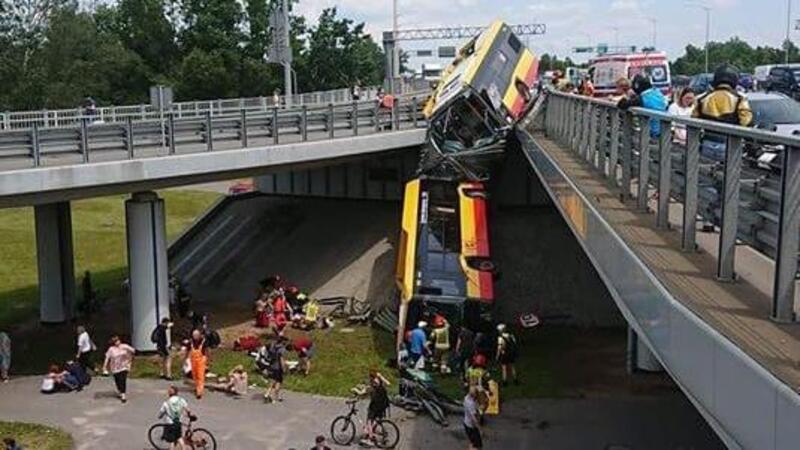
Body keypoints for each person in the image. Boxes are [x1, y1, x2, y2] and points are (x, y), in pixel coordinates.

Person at [617, 74, 668, 138]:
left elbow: (621, 104)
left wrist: (627, 96)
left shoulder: (643, 98)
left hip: (652, 131)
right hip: (664, 129)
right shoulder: (657, 92)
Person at [157, 385, 194, 450]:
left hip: (170, 424)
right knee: (179, 438)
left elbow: (161, 413)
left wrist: (159, 416)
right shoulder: (181, 400)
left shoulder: (166, 403)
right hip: (178, 423)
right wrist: (189, 415)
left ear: (169, 393)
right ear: (177, 392)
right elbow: (188, 410)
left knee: (171, 441)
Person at [102, 335, 135, 403]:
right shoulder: (111, 349)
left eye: (118, 340)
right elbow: (107, 358)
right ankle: (120, 390)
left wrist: (129, 353)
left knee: (122, 380)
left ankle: (123, 395)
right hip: (115, 368)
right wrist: (104, 367)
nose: (117, 342)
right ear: (113, 343)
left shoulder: (124, 346)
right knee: (118, 381)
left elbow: (133, 350)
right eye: (115, 341)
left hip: (124, 366)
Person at [361, 370, 390, 446]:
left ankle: (370, 439)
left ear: (371, 377)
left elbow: (367, 391)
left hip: (376, 405)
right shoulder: (379, 380)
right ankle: (383, 434)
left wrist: (358, 392)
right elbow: (388, 383)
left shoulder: (374, 383)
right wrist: (381, 377)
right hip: (382, 405)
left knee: (369, 421)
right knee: (377, 420)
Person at [264, 338, 287, 403]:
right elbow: (281, 359)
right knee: (278, 381)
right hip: (278, 368)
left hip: (272, 366)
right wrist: (284, 368)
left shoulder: (272, 347)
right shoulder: (281, 349)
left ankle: (269, 394)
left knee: (273, 381)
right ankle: (273, 396)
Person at [189, 329, 209, 399]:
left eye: (196, 335)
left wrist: (208, 361)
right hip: (193, 360)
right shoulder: (191, 341)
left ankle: (199, 392)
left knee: (200, 375)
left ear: (199, 335)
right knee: (195, 375)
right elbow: (187, 350)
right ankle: (197, 386)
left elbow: (207, 351)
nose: (195, 336)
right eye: (194, 335)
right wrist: (185, 359)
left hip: (201, 360)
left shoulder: (204, 341)